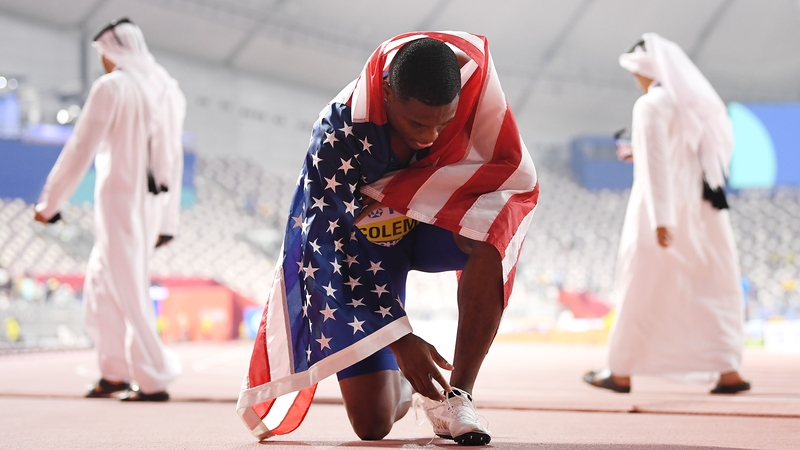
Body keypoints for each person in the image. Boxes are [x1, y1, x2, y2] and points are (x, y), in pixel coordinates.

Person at [237, 32, 539, 445]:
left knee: (493, 232)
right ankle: (405, 386)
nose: (431, 137)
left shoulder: (475, 100)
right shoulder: (337, 132)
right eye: (417, 123)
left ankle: (457, 397)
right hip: (363, 253)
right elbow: (325, 250)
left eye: (442, 123)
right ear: (388, 93)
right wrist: (397, 337)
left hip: (431, 230)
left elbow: (510, 181)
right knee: (372, 424)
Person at [583, 33, 749, 395]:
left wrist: (661, 220)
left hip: (661, 211)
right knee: (711, 286)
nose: (637, 82)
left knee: (640, 284)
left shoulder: (651, 105)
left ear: (647, 71)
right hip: (704, 212)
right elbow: (689, 159)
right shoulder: (693, 104)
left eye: (636, 75)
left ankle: (621, 370)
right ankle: (728, 370)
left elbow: (658, 166)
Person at [34, 18, 186, 402]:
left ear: (112, 50)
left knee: (127, 286)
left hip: (120, 199)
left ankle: (153, 377)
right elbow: (175, 157)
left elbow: (81, 148)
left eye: (103, 53)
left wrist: (49, 203)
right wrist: (168, 218)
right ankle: (114, 371)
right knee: (102, 285)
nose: (102, 60)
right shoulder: (166, 88)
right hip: (150, 203)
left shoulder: (112, 87)